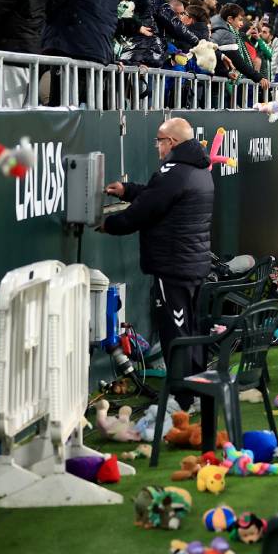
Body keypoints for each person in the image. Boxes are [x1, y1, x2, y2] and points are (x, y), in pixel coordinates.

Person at [101, 117, 214, 407]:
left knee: (174, 332)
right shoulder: (196, 168)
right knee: (190, 329)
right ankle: (197, 388)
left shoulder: (174, 170)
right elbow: (159, 194)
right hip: (191, 264)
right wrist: (127, 190)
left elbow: (146, 210)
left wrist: (110, 224)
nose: (157, 147)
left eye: (159, 141)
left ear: (171, 142)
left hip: (173, 266)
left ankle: (182, 398)